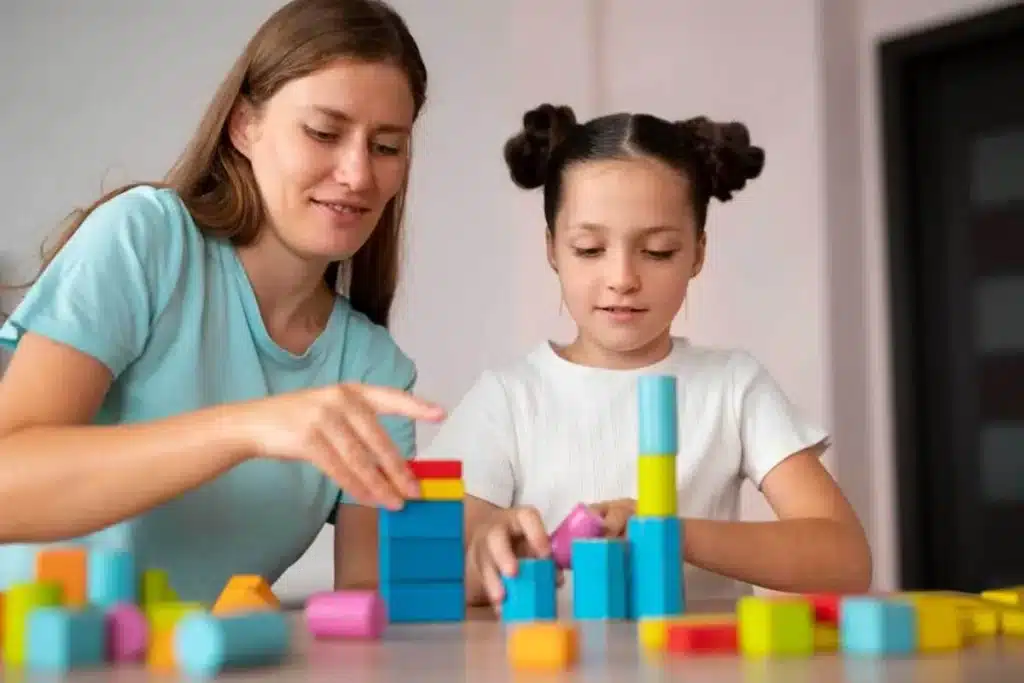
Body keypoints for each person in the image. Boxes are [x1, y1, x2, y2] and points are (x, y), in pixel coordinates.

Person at [0, 0, 445, 604]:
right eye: (323, 132)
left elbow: (375, 598)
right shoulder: (146, 240)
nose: (358, 173)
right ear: (244, 126)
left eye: (386, 146)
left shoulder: (373, 371)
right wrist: (249, 427)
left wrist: (481, 548)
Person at [421, 104, 873, 611]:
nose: (622, 277)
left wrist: (669, 534)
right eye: (589, 249)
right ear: (552, 248)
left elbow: (845, 560)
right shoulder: (506, 399)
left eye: (657, 251)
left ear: (698, 253)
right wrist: (488, 555)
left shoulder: (732, 385)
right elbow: (422, 580)